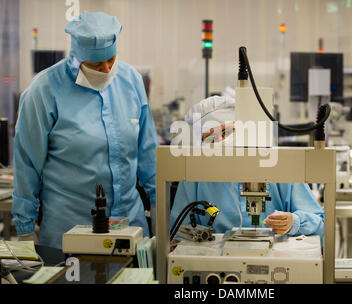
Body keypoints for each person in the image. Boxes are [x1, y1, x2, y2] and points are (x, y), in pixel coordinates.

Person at [12, 11, 159, 249]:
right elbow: (27, 164)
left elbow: (148, 154)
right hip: (68, 231)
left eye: (111, 60)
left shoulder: (130, 80)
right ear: (76, 57)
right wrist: (25, 230)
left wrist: (160, 211)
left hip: (131, 227)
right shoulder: (45, 90)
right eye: (95, 64)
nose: (106, 69)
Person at [170, 95, 324, 239]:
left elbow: (322, 227)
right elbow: (178, 233)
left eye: (226, 131)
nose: (222, 141)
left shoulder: (278, 166)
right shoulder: (195, 175)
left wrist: (294, 222)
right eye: (211, 138)